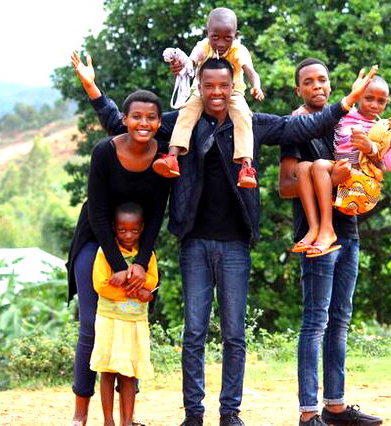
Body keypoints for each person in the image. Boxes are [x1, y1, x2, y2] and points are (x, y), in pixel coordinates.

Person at [75, 51, 375, 426]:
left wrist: (345, 103)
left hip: (235, 242)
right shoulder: (181, 124)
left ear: (233, 88)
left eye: (223, 86)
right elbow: (128, 123)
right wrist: (92, 88)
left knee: (234, 334)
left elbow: (301, 127)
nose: (216, 92)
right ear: (199, 88)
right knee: (195, 333)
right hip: (194, 241)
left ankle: (230, 412)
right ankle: (194, 414)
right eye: (209, 86)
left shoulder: (249, 122)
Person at [67, 53, 172, 426]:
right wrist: (117, 265)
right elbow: (97, 214)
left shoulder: (164, 158)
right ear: (124, 121)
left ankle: (126, 418)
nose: (143, 123)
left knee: (130, 322)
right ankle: (81, 412)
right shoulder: (105, 152)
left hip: (137, 244)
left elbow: (158, 214)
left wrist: (140, 263)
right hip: (96, 242)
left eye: (151, 118)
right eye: (136, 117)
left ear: (160, 123)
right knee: (92, 324)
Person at [279, 58, 383, 426]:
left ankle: (335, 407)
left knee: (340, 321)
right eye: (308, 82)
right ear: (299, 90)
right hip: (316, 240)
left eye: (322, 79)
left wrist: (368, 152)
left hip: (348, 231)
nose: (317, 86)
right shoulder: (295, 127)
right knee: (315, 322)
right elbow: (285, 186)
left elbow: (376, 168)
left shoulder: (345, 120)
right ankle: (309, 413)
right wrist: (331, 176)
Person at [293, 72, 391, 257]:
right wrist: (300, 114)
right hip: (342, 174)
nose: (374, 105)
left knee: (320, 165)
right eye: (369, 98)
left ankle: (327, 229)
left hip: (362, 187)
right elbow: (323, 117)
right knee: (303, 167)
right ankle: (314, 228)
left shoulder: (385, 128)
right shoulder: (345, 116)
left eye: (381, 101)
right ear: (358, 95)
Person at [155, 7, 264, 188]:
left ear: (235, 35)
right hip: (202, 92)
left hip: (233, 92)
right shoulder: (204, 46)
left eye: (227, 38)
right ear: (207, 34)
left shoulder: (239, 50)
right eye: (215, 37)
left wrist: (256, 86)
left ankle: (246, 167)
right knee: (187, 111)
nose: (221, 43)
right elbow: (191, 61)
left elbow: (251, 72)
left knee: (244, 117)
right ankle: (172, 157)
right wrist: (181, 66)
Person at [90, 202, 158, 426]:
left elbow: (152, 280)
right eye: (122, 230)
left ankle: (126, 422)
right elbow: (101, 284)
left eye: (134, 230)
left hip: (133, 323)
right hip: (109, 321)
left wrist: (128, 282)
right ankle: (108, 421)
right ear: (113, 228)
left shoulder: (146, 254)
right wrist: (135, 290)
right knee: (107, 372)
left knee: (129, 374)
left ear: (142, 229)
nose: (128, 235)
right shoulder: (105, 253)